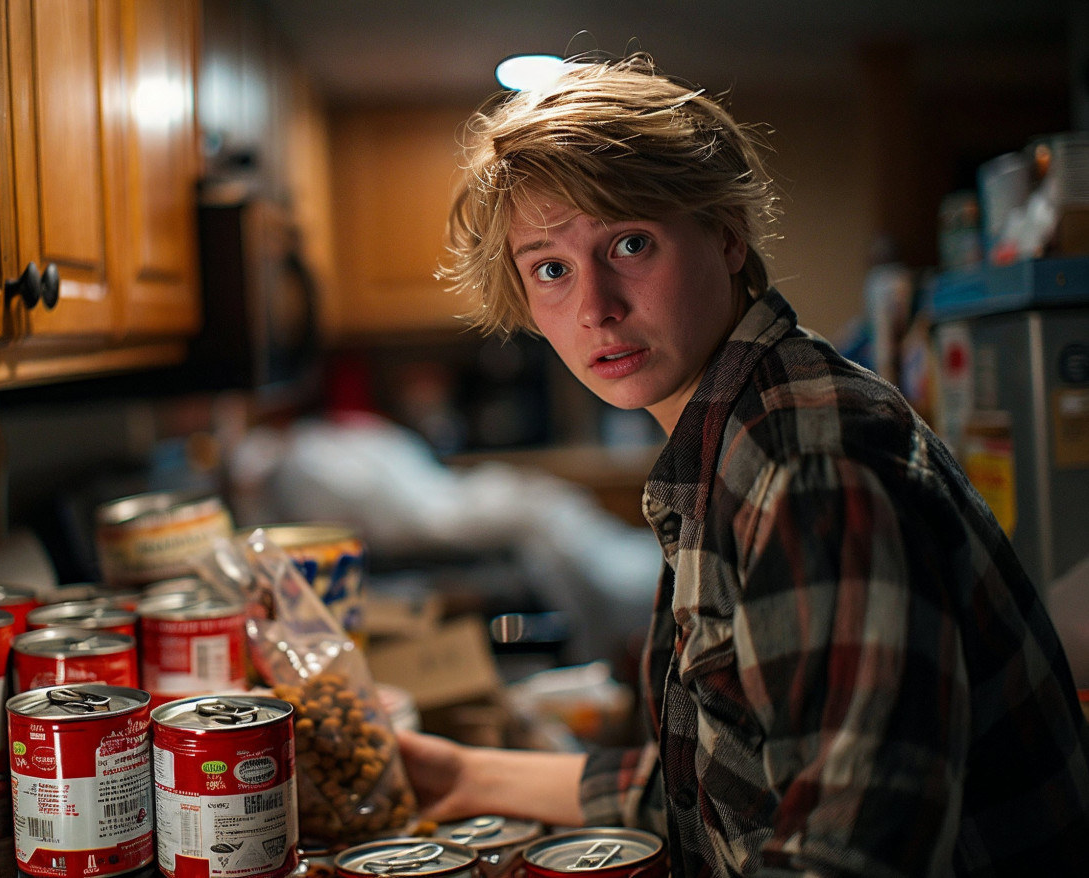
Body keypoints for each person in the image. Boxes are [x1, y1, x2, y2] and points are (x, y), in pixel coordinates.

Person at [393, 52, 1089, 875]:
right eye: (550, 268)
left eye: (629, 243)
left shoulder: (805, 463)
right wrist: (465, 774)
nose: (594, 307)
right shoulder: (733, 431)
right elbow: (722, 791)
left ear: (726, 235)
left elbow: (848, 856)